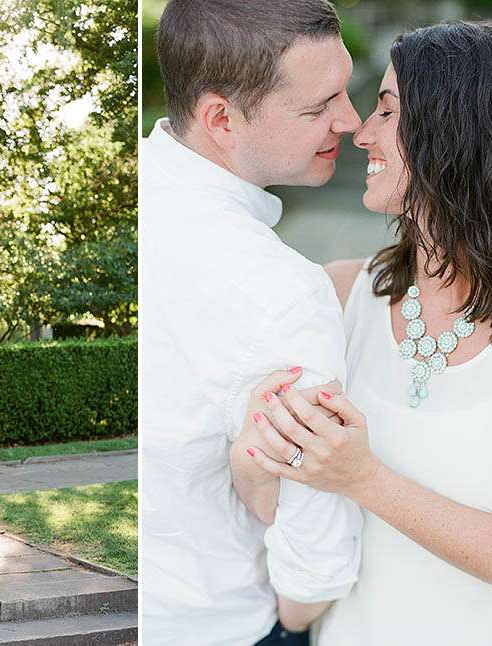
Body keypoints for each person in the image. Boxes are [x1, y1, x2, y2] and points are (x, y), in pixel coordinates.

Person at [237, 21, 492, 646]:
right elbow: (282, 514)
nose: (362, 133)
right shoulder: (335, 295)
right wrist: (259, 453)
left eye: (386, 110)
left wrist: (362, 478)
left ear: (459, 133)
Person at [140, 1, 366, 644]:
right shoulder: (285, 295)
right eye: (318, 106)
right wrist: (294, 623)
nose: (349, 121)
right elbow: (316, 568)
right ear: (222, 118)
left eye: (345, 90)